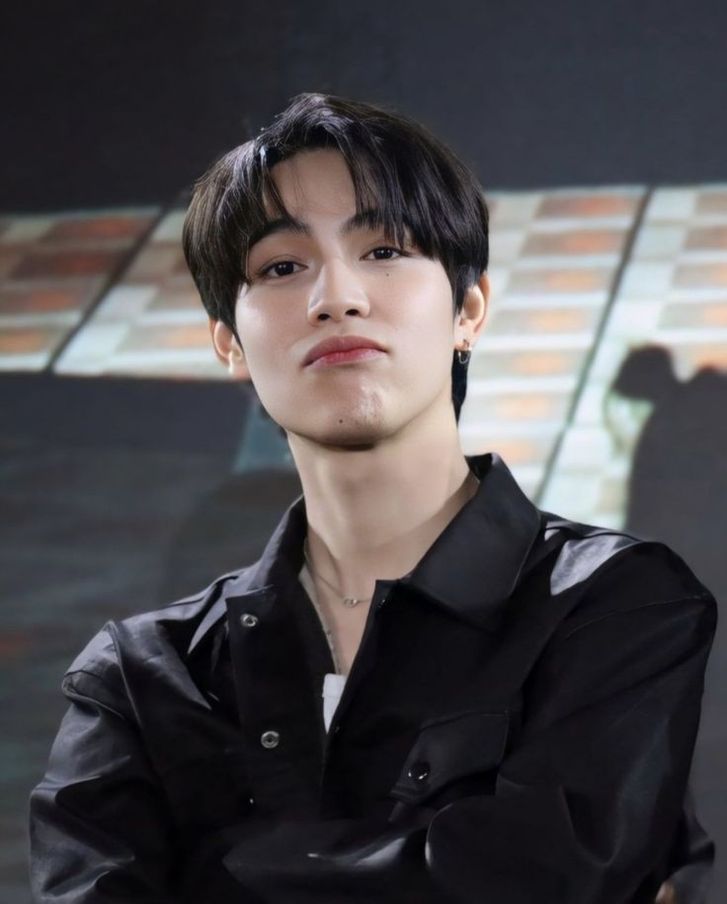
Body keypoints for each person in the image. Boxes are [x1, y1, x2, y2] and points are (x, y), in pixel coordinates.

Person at [29, 93, 716, 903]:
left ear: (467, 309)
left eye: (383, 250)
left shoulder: (613, 604)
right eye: (281, 267)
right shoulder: (141, 679)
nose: (336, 296)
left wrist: (228, 869)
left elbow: (548, 880)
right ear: (229, 344)